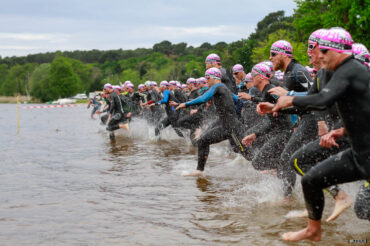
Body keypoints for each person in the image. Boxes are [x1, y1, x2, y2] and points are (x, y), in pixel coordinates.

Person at [260, 27, 370, 242]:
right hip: (359, 155)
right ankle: (313, 230)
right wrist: (278, 107)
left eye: (323, 51)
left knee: (363, 209)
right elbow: (354, 111)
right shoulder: (335, 73)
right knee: (311, 180)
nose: (318, 56)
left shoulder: (351, 70)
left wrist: (290, 98)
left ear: (338, 51)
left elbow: (322, 101)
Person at [176, 67, 247, 176]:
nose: (206, 81)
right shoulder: (224, 88)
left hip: (232, 128)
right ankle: (199, 170)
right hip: (224, 127)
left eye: (207, 78)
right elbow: (238, 100)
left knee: (246, 153)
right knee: (202, 141)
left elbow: (203, 98)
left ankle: (267, 168)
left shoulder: (217, 86)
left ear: (214, 78)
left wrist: (185, 104)